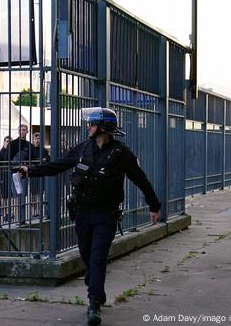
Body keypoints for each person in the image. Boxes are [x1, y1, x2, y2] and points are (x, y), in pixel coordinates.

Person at [19, 108, 160, 326]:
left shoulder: (121, 154)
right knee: (86, 253)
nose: (88, 127)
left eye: (92, 124)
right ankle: (95, 285)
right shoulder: (84, 148)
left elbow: (140, 179)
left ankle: (94, 303)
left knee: (97, 257)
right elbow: (59, 165)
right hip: (83, 211)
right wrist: (30, 171)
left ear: (102, 128)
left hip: (106, 214)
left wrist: (154, 205)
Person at [29, 132, 50, 218]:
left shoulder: (44, 150)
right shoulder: (30, 149)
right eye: (36, 138)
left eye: (39, 139)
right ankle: (35, 211)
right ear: (33, 139)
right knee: (34, 193)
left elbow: (48, 159)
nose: (37, 140)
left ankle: (42, 210)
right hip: (33, 173)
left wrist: (45, 159)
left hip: (41, 173)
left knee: (41, 193)